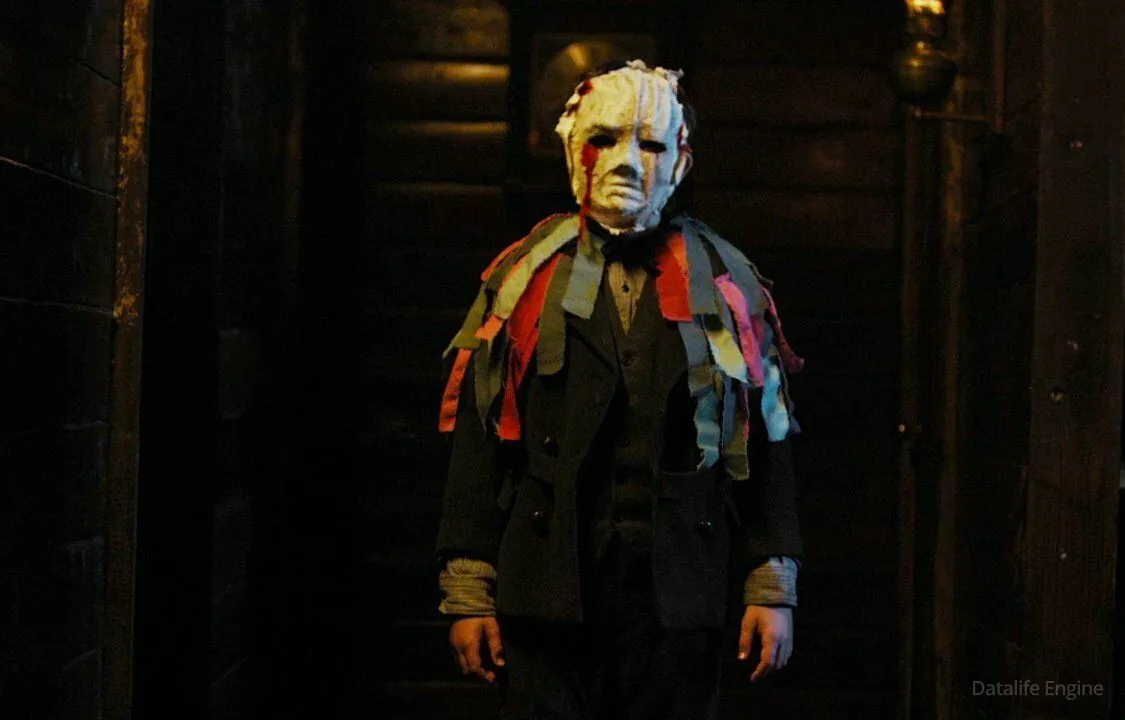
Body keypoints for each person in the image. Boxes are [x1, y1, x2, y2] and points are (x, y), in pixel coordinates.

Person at [434, 59, 804, 720]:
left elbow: (766, 438)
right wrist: (468, 588)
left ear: (681, 162)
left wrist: (771, 583)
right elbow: (480, 437)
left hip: (678, 594)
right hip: (546, 591)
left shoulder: (728, 286)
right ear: (572, 148)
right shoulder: (521, 284)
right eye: (603, 139)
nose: (627, 163)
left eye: (651, 144)